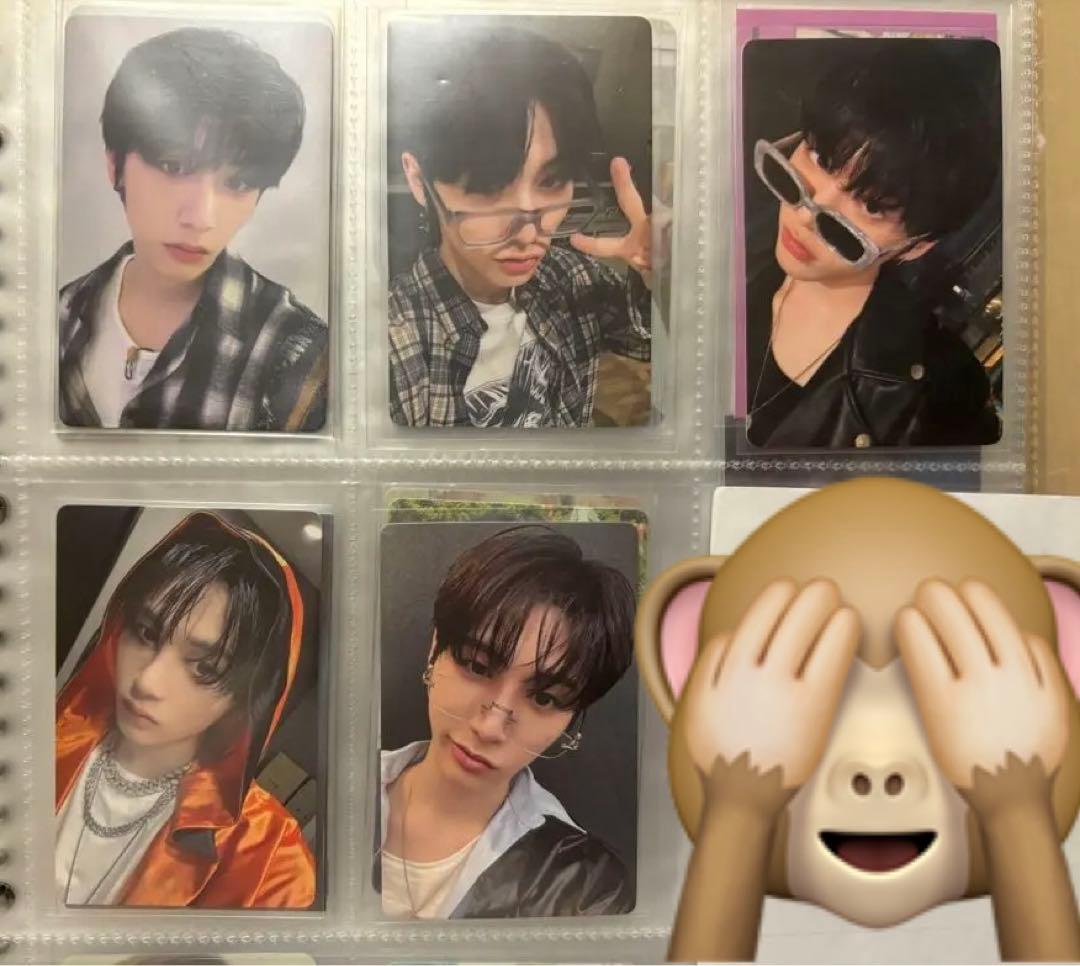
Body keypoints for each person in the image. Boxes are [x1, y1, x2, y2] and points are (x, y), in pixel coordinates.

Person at [58, 27, 328, 432]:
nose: (202, 218)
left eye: (238, 183)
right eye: (174, 166)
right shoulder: (55, 315)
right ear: (115, 165)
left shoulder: (299, 353)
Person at [388, 26, 652, 428]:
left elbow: (648, 343)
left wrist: (663, 282)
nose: (530, 233)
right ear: (417, 178)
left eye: (552, 180)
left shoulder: (570, 276)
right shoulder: (393, 343)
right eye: (489, 186)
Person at [744, 42, 1002, 449]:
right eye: (821, 158)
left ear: (916, 246)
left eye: (872, 205)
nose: (807, 214)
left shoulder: (938, 394)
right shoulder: (730, 259)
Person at [55, 512, 316, 908]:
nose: (147, 682)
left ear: (248, 697)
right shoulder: (42, 740)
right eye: (145, 633)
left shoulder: (268, 859)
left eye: (206, 668)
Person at [377, 526, 636, 918]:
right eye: (476, 666)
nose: (490, 728)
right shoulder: (329, 794)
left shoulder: (581, 887)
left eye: (544, 698)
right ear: (435, 650)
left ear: (572, 717)